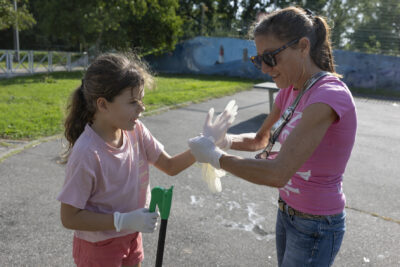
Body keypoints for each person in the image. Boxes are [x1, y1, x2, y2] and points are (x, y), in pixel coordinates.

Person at [188, 6, 357, 267]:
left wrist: (215, 157)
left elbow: (278, 173)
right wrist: (225, 140)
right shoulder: (290, 90)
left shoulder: (329, 95)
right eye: (258, 60)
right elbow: (260, 140)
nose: (264, 68)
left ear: (302, 47)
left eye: (270, 57)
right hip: (287, 212)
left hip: (316, 223)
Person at [57, 53, 235, 267]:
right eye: (132, 102)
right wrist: (121, 220)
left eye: (141, 100)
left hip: (131, 236)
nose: (141, 108)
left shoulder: (136, 131)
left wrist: (203, 146)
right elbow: (69, 217)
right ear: (103, 105)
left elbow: (170, 166)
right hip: (98, 248)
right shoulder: (87, 152)